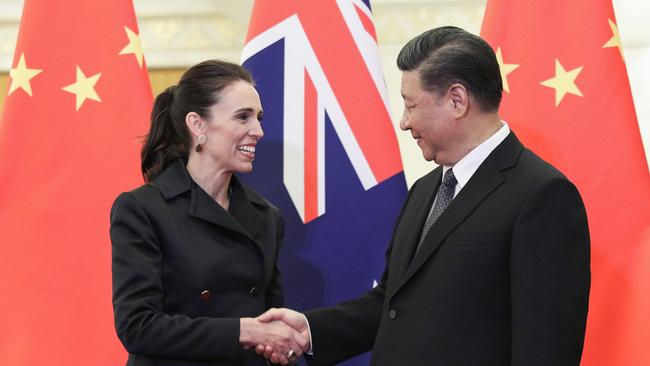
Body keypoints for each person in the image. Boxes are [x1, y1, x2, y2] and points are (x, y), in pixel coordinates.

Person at [255, 26, 591, 366]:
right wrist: (309, 330)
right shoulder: (425, 189)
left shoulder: (542, 195)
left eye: (410, 105)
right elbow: (394, 303)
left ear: (457, 100)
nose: (403, 122)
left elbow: (545, 346)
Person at [110, 60, 309, 366]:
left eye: (258, 118)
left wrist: (277, 343)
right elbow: (137, 326)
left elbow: (268, 322)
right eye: (243, 117)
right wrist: (244, 331)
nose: (258, 131)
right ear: (197, 125)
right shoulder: (143, 209)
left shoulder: (267, 216)